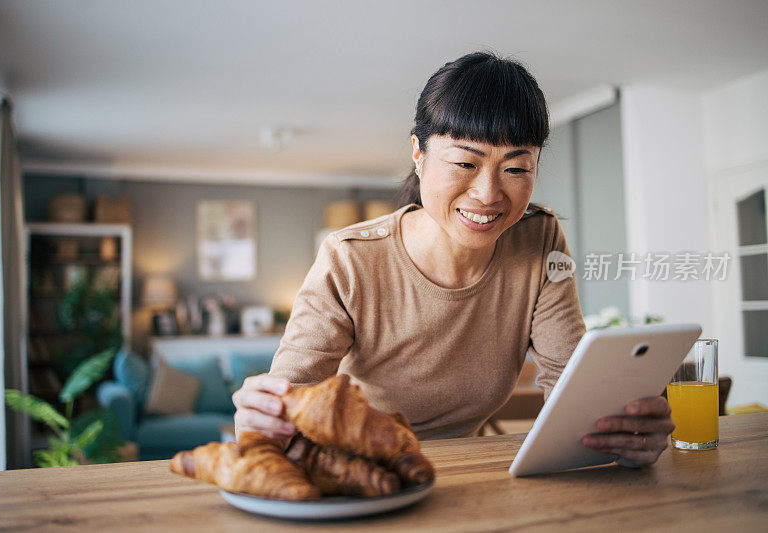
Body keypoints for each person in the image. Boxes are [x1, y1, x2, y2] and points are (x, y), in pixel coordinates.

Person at [232, 52, 674, 468]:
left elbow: (570, 392)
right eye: (465, 163)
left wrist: (619, 431)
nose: (488, 194)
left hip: (466, 471)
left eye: (517, 169)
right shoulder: (349, 259)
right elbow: (291, 397)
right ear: (418, 154)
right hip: (360, 471)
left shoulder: (539, 238)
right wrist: (265, 419)